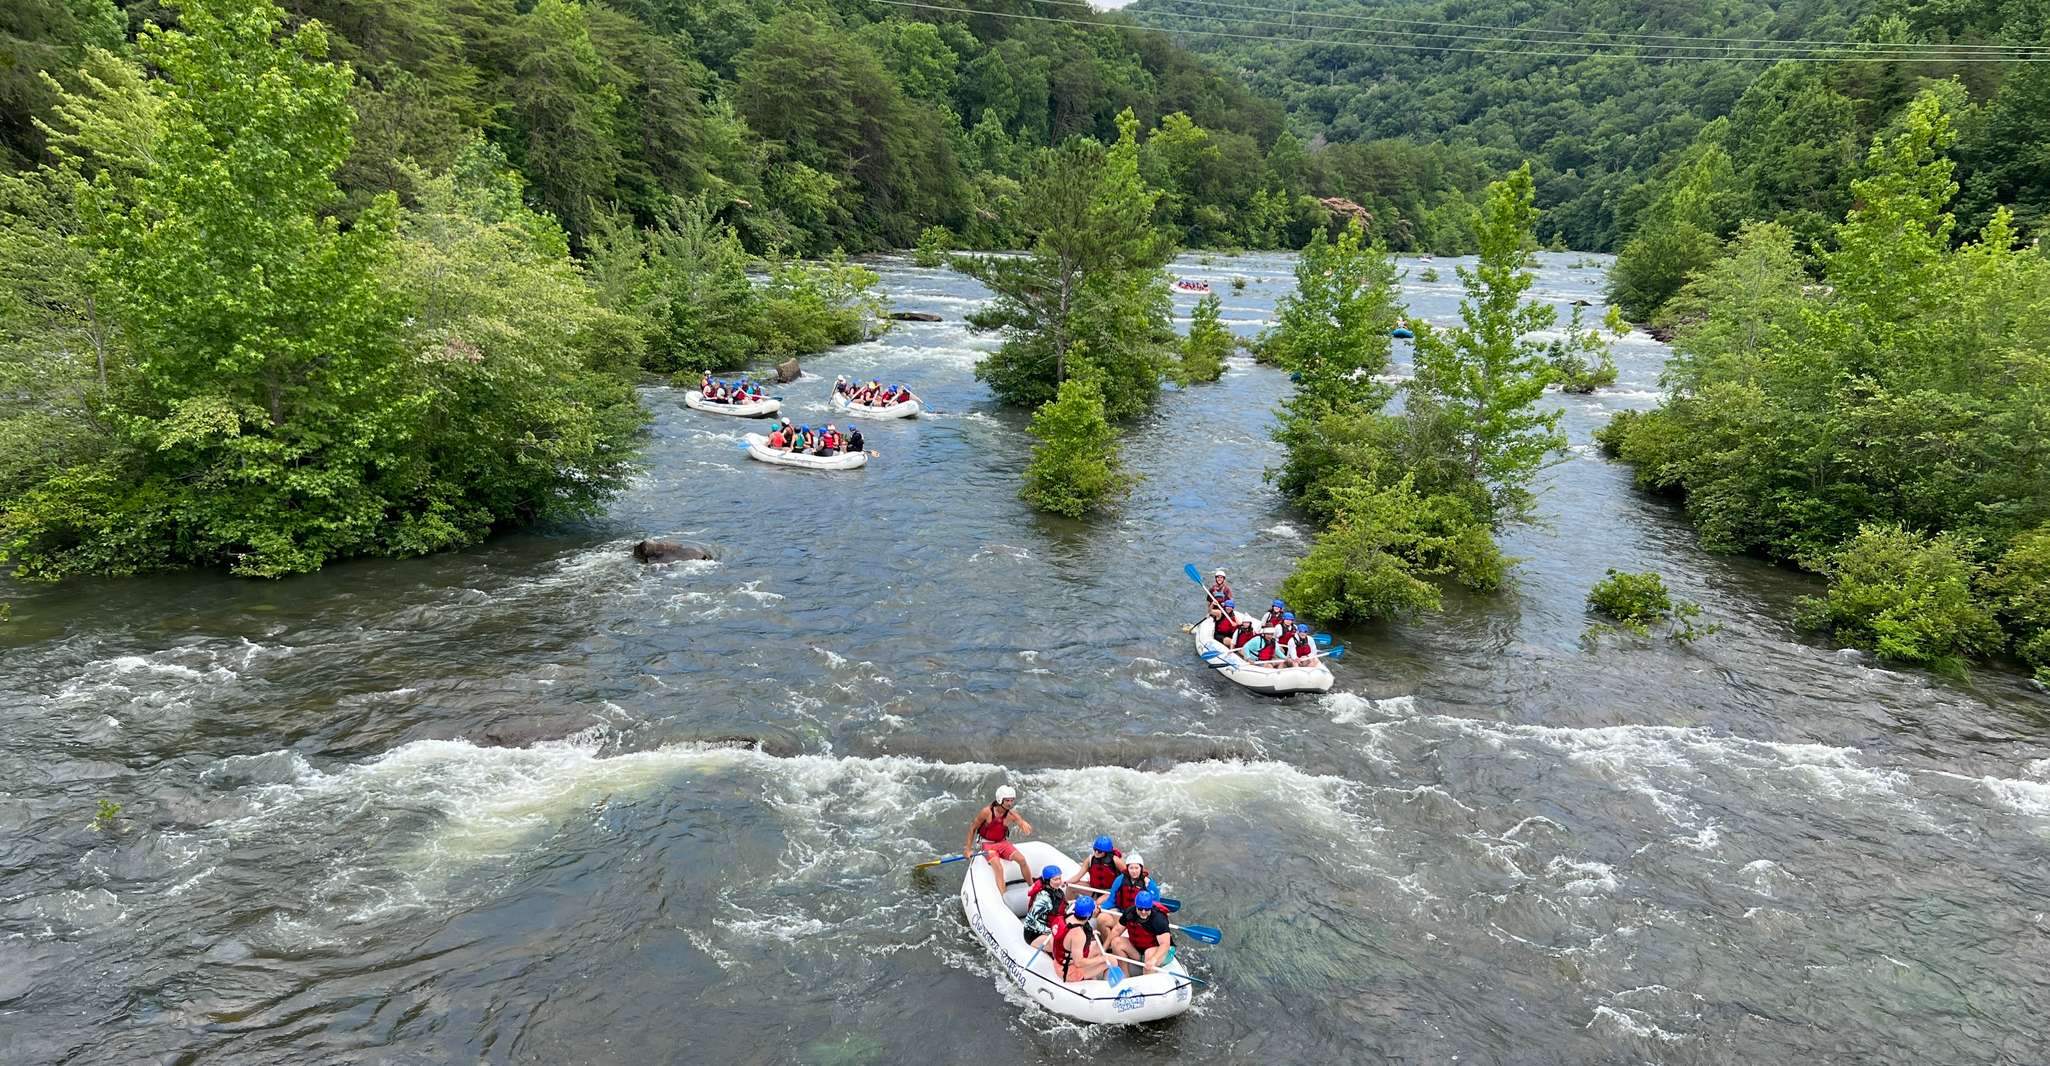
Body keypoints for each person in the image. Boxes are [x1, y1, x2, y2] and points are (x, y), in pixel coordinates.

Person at [963, 784, 1034, 889]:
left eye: (1011, 800)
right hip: (987, 845)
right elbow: (972, 828)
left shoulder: (1011, 815)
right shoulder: (987, 812)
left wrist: (1023, 825)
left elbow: (1020, 821)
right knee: (998, 868)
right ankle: (1002, 896)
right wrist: (967, 849)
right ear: (1000, 799)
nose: (1010, 803)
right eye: (1007, 801)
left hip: (1002, 843)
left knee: (1022, 860)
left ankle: (1032, 887)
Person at [1112, 891, 1174, 974]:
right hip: (1139, 951)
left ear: (1151, 907)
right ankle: (1125, 976)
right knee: (1116, 942)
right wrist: (1104, 949)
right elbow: (1116, 930)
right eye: (1140, 909)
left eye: (1147, 909)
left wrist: (1153, 959)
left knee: (1149, 954)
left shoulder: (1159, 919)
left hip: (1159, 953)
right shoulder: (1129, 912)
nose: (1143, 912)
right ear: (1136, 906)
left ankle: (1147, 982)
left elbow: (1165, 944)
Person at [1050, 898, 1108, 982]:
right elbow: (1079, 962)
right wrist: (1102, 959)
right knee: (1111, 961)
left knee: (1097, 946)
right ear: (1089, 915)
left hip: (1059, 962)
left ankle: (1090, 977)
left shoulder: (1067, 916)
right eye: (1094, 909)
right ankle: (1105, 989)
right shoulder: (1078, 934)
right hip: (1068, 971)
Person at [1023, 865, 1066, 945]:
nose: (1059, 882)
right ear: (1047, 881)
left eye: (1060, 878)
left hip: (1052, 927)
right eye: (1055, 879)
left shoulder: (1057, 891)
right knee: (1060, 945)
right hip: (1035, 933)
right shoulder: (1044, 898)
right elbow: (1030, 921)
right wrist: (1050, 931)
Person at [1073, 835, 1123, 902]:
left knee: (1098, 901)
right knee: (1071, 887)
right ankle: (1067, 907)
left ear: (1106, 852)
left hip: (1110, 892)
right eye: (1095, 849)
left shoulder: (1115, 860)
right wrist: (1065, 882)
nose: (1096, 852)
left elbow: (1127, 875)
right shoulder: (1090, 860)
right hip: (1094, 889)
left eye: (1099, 851)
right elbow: (1078, 876)